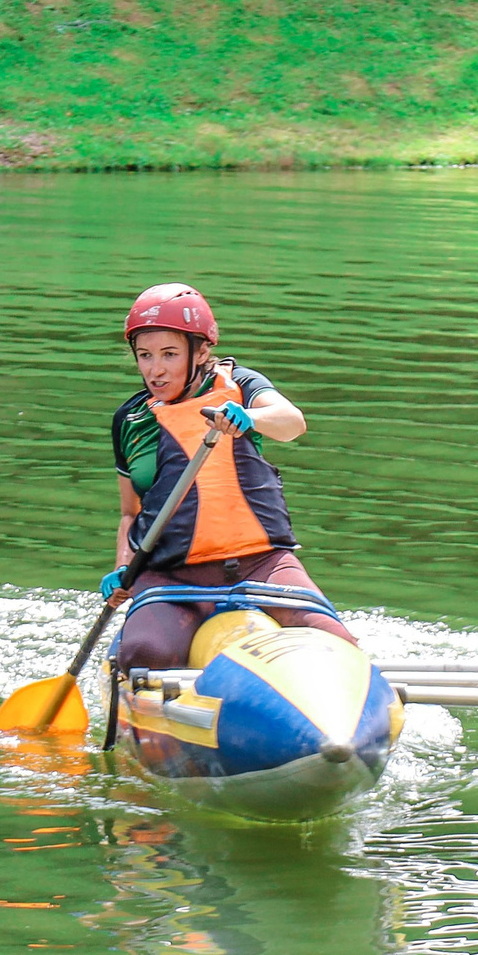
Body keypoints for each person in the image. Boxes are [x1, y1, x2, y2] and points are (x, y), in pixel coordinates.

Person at [104, 283, 354, 670]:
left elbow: (292, 423)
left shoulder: (241, 386)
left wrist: (250, 418)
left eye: (169, 354)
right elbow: (130, 514)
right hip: (171, 577)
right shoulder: (131, 422)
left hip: (261, 565)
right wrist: (123, 568)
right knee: (142, 657)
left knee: (338, 645)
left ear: (201, 350)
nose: (156, 369)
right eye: (145, 355)